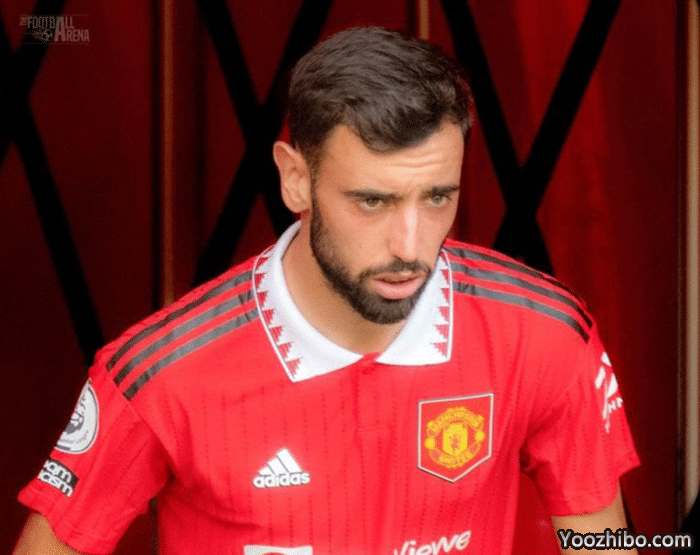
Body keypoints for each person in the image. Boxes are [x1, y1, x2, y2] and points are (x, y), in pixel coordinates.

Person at [12, 27, 639, 555]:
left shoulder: (544, 334)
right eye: (373, 201)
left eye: (437, 197)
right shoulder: (160, 375)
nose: (410, 245)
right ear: (295, 180)